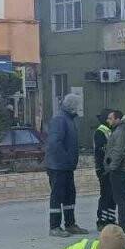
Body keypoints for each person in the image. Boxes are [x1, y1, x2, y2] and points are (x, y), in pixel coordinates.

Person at [45, 93, 87, 237]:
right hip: (58, 166)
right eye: (78, 106)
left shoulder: (68, 119)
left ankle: (70, 224)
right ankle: (54, 226)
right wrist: (67, 159)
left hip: (66, 166)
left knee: (69, 195)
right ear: (72, 106)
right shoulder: (60, 119)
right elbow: (55, 143)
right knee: (57, 196)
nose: (79, 108)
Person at [103, 109, 125, 235]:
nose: (108, 121)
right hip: (124, 169)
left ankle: (123, 227)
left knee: (121, 199)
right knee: (124, 198)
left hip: (120, 170)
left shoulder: (121, 130)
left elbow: (118, 151)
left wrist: (112, 167)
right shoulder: (124, 128)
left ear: (117, 119)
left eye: (110, 118)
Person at [93, 110, 116, 230]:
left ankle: (110, 219)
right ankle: (102, 221)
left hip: (110, 168)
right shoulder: (101, 132)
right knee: (105, 195)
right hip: (103, 169)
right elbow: (101, 151)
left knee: (112, 195)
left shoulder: (110, 130)